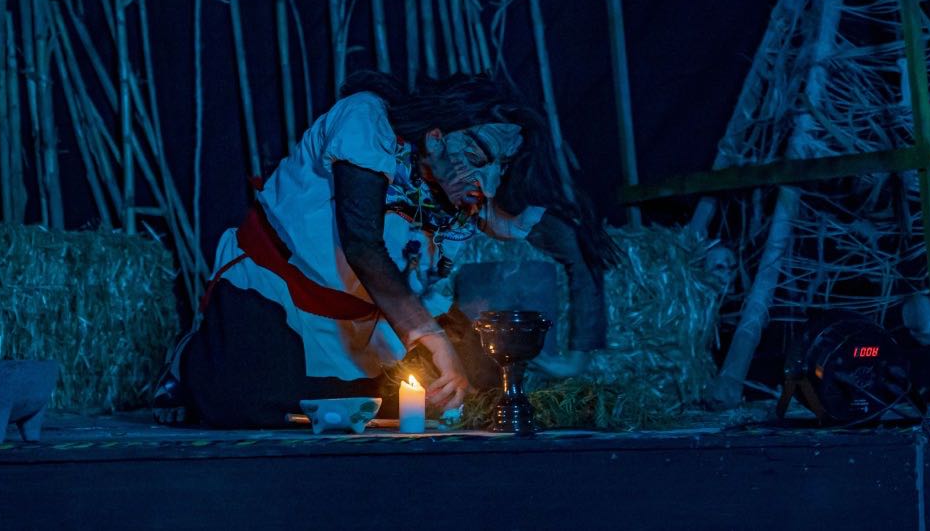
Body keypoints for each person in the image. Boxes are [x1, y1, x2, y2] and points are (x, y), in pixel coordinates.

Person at [154, 71, 614, 428]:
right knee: (240, 398)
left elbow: (569, 238)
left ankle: (352, 397)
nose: (488, 180)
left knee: (483, 382)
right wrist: (432, 339)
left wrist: (580, 351)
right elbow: (361, 243)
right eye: (478, 156)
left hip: (379, 323)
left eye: (502, 166)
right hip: (282, 298)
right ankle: (196, 361)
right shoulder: (365, 120)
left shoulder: (468, 194)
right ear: (437, 135)